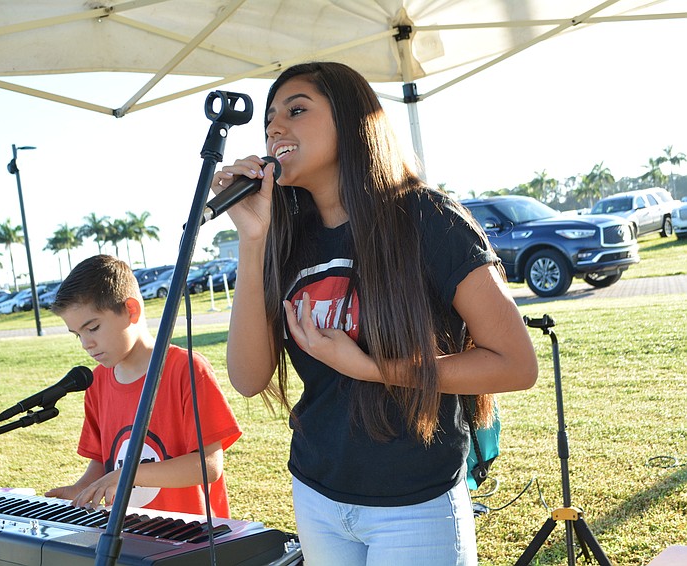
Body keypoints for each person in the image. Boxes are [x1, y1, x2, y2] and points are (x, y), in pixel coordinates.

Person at [210, 62, 539, 564]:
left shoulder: (427, 218)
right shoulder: (285, 237)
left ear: (351, 119)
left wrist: (370, 368)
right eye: (269, 119)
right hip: (317, 494)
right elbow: (248, 377)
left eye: (296, 110)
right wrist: (253, 239)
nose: (274, 127)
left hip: (414, 501)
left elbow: (515, 365)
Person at [45, 255, 242, 518]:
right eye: (77, 335)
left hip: (189, 534)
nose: (85, 344)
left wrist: (127, 474)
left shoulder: (187, 370)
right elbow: (103, 462)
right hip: (126, 531)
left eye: (93, 328)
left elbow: (208, 466)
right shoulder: (96, 382)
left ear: (131, 310)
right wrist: (81, 489)